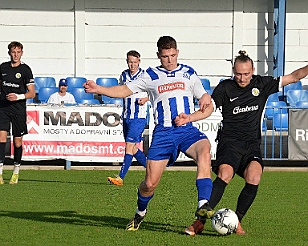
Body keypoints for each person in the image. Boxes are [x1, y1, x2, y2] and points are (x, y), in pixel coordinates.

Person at [84, 36, 214, 231]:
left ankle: (203, 205)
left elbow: (206, 103)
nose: (169, 60)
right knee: (150, 184)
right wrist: (99, 88)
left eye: (172, 55)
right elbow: (123, 90)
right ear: (158, 56)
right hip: (163, 134)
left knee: (205, 150)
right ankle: (140, 213)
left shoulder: (188, 73)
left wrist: (202, 99)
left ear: (177, 53)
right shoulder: (150, 75)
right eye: (165, 56)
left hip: (186, 130)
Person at [186, 50, 308, 236]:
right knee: (225, 173)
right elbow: (209, 109)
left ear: (252, 71)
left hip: (251, 144)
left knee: (254, 176)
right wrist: (190, 118)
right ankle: (199, 222)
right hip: (229, 143)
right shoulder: (225, 88)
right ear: (233, 71)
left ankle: (236, 221)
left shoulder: (263, 84)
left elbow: (294, 76)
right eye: (238, 74)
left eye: (246, 74)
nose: (242, 78)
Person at [107, 50, 148, 186]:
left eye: (135, 62)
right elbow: (120, 91)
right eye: (130, 62)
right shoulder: (124, 75)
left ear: (139, 62)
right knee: (133, 148)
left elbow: (153, 92)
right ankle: (151, 168)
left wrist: (146, 98)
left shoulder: (145, 75)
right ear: (127, 62)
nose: (133, 65)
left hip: (139, 117)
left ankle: (120, 177)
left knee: (129, 146)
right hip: (126, 116)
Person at [0, 41, 36, 184]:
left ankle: (16, 171)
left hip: (18, 110)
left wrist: (18, 96)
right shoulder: (2, 67)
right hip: (3, 108)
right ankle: (0, 173)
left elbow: (32, 93)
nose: (15, 55)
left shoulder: (26, 70)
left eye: (18, 52)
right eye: (13, 52)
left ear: (22, 53)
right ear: (9, 53)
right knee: (1, 138)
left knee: (17, 141)